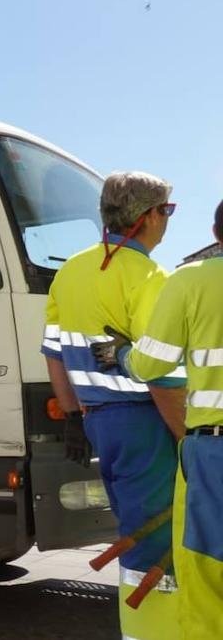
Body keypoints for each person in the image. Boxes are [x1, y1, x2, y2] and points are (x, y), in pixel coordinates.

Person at [41, 171, 181, 639]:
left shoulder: (70, 271)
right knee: (156, 537)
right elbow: (159, 373)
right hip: (145, 422)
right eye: (167, 210)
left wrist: (72, 417)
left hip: (99, 422)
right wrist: (187, 438)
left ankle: (140, 625)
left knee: (133, 529)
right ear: (148, 217)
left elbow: (54, 353)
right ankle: (153, 629)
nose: (168, 220)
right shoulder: (149, 277)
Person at [120, 199, 223, 639]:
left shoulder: (192, 280)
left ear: (216, 234)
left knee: (207, 573)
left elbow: (152, 363)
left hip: (214, 453)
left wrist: (123, 355)